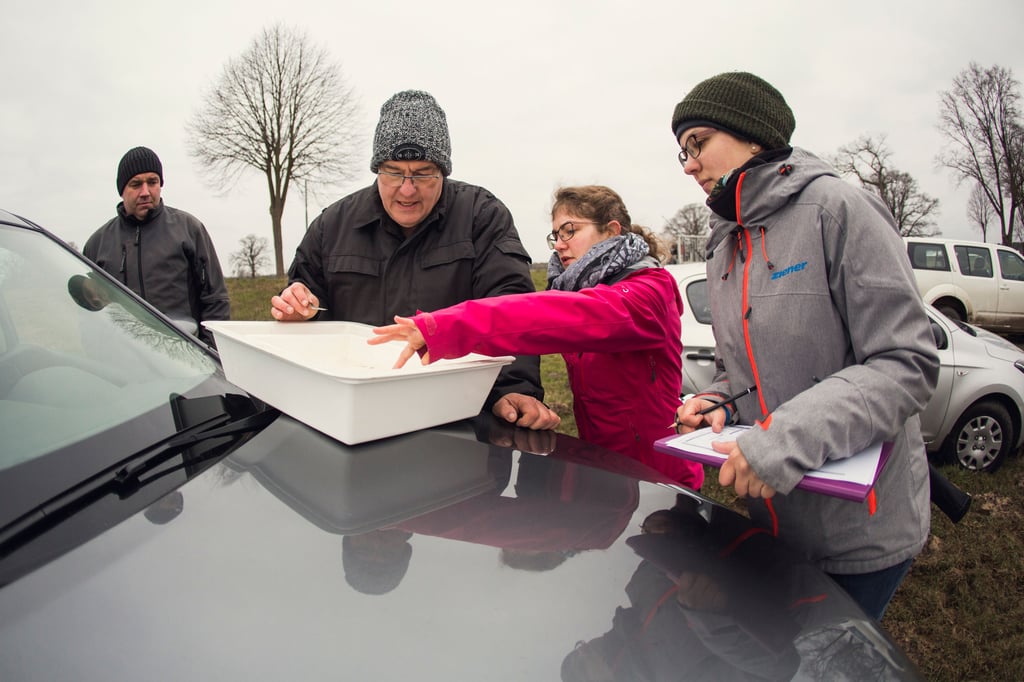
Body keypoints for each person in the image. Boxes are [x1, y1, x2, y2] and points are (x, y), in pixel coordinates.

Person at [668, 71, 939, 620]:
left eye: (698, 143)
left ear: (752, 135)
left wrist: (782, 439)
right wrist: (718, 403)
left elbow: (905, 363)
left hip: (859, 532)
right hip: (773, 522)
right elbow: (737, 370)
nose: (690, 163)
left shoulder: (838, 210)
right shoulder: (725, 245)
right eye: (682, 152)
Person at [370, 185, 703, 489]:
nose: (559, 244)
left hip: (661, 478)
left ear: (611, 231)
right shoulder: (584, 286)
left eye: (570, 231)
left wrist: (444, 328)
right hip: (607, 472)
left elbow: (553, 315)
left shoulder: (648, 292)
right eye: (555, 235)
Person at [271, 90, 557, 431]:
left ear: (444, 172)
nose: (407, 190)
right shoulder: (332, 225)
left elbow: (510, 306)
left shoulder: (481, 217)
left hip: (461, 417)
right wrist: (297, 309)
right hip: (356, 417)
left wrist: (513, 389)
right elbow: (304, 298)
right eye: (393, 172)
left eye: (423, 174)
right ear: (377, 169)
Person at [84, 146, 230, 346]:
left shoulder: (189, 229)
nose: (145, 192)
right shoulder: (97, 244)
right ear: (121, 190)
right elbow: (90, 312)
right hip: (122, 364)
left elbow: (216, 300)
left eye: (152, 182)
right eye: (136, 184)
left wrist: (209, 352)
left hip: (186, 360)